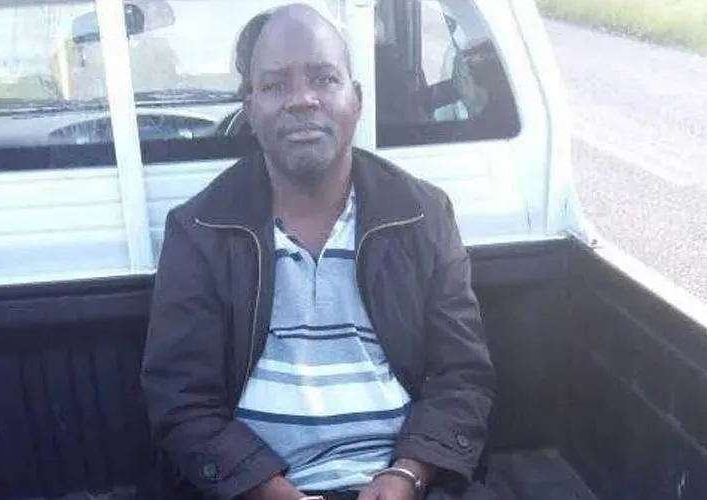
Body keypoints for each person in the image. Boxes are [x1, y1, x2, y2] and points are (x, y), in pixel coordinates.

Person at [141, 4, 496, 500]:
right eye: (275, 85)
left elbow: (462, 377)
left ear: (357, 99)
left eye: (325, 79)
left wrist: (408, 474)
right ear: (250, 109)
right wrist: (264, 488)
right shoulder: (200, 230)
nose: (302, 100)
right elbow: (181, 401)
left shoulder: (423, 215)